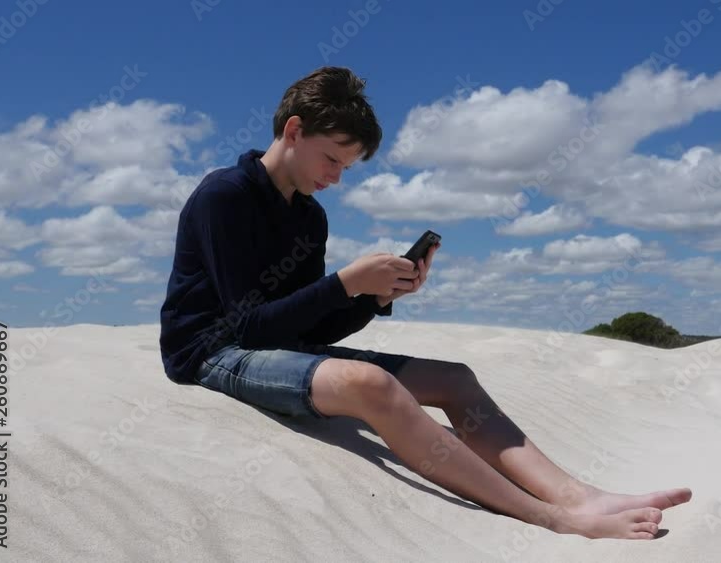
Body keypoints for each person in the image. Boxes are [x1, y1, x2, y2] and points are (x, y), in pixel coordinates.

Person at [159, 66, 691, 540]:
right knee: (372, 385)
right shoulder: (224, 196)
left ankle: (578, 496)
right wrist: (345, 282)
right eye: (332, 159)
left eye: (347, 166)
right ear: (294, 131)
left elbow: (304, 324)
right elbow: (248, 328)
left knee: (455, 378)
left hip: (274, 347)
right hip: (210, 352)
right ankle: (552, 518)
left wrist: (376, 296)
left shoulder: (309, 216)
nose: (336, 177)